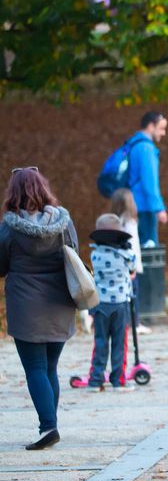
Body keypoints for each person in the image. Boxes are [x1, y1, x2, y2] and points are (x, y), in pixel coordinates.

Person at [0, 168, 80, 450]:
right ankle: (51, 424)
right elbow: (75, 255)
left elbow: (1, 265)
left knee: (35, 368)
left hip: (26, 307)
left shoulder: (9, 227)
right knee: (50, 367)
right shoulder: (63, 221)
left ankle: (49, 426)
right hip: (60, 303)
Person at [86, 214, 136, 391]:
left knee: (100, 341)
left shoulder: (95, 255)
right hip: (120, 305)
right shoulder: (126, 254)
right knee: (119, 343)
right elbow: (133, 268)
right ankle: (118, 380)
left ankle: (95, 380)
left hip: (100, 304)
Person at [128, 111, 168, 246]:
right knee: (149, 250)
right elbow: (149, 183)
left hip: (133, 205)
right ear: (151, 126)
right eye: (161, 128)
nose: (164, 133)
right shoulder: (146, 148)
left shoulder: (134, 144)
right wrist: (159, 208)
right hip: (145, 208)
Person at [110, 189, 147, 334]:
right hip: (130, 265)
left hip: (119, 265)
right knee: (133, 294)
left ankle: (126, 322)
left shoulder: (114, 221)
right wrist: (134, 267)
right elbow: (132, 246)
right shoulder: (129, 221)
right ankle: (134, 323)